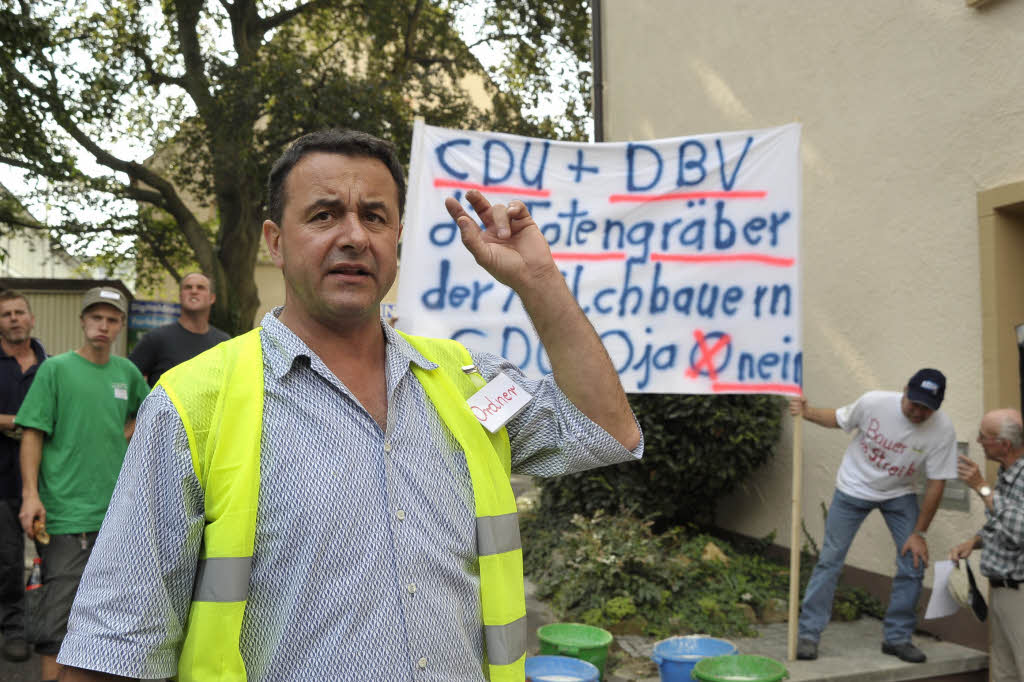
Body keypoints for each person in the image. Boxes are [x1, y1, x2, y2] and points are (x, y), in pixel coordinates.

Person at [55, 129, 644, 682]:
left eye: (374, 217)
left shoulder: (466, 381)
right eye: (324, 214)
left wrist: (539, 279)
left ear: (395, 241)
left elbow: (604, 431)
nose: (354, 236)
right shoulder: (189, 404)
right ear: (275, 242)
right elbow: (114, 647)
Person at [14, 287, 149, 681]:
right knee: (56, 625)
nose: (103, 326)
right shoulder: (55, 370)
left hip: (117, 516)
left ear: (121, 325)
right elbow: (32, 434)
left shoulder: (125, 373)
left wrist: (125, 433)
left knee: (106, 623)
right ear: (83, 320)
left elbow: (150, 412)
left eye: (111, 319)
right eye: (96, 318)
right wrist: (30, 495)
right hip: (65, 516)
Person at [790, 368, 958, 664]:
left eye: (926, 408)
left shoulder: (943, 430)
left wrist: (919, 534)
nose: (918, 412)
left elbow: (936, 484)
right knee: (831, 559)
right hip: (853, 488)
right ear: (904, 390)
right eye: (914, 403)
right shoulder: (874, 402)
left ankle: (897, 638)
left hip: (899, 493)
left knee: (913, 560)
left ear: (938, 406)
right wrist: (807, 412)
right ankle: (808, 634)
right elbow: (839, 419)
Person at [950, 409, 1024, 681]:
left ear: (1004, 444)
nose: (979, 441)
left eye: (984, 436)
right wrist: (974, 541)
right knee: (1004, 673)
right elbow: (1002, 524)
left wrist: (982, 487)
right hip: (1002, 590)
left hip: (1020, 594)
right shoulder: (1007, 473)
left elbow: (1021, 529)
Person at [0, 291, 47, 663]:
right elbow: (34, 421)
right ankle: (14, 628)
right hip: (1, 481)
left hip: (45, 481)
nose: (14, 319)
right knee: (9, 560)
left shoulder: (51, 366)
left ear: (31, 319)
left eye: (19, 313)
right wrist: (17, 422)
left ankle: (47, 629)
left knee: (51, 558)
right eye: (6, 314)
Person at [128, 272, 230, 387]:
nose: (194, 291)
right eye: (188, 287)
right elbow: (127, 379)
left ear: (212, 298)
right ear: (180, 296)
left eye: (200, 288)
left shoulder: (224, 343)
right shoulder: (156, 338)